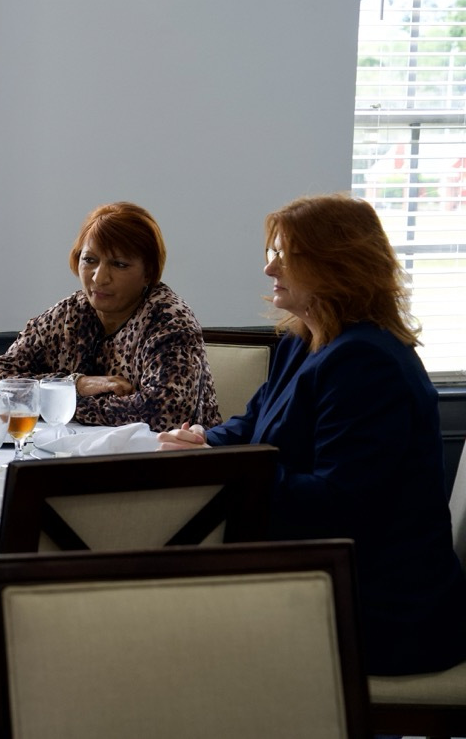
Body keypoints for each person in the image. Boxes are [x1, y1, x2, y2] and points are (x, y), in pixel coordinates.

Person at [159, 193, 466, 676]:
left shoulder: (366, 362)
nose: (269, 268)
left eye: (285, 255)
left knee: (179, 625)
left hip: (380, 609)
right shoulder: (305, 338)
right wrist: (205, 441)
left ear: (337, 263)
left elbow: (337, 502)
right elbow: (253, 421)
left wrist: (222, 470)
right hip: (326, 574)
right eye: (272, 252)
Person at [0, 201, 219, 432]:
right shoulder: (69, 313)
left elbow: (163, 415)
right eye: (90, 260)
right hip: (72, 451)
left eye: (119, 264)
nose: (99, 277)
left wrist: (60, 402)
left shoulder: (170, 320)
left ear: (148, 272)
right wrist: (76, 384)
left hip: (170, 455)